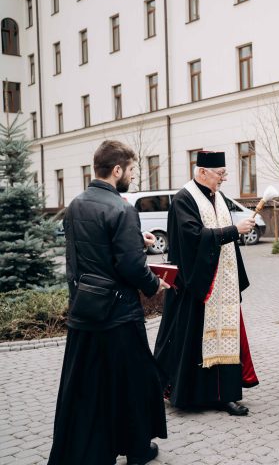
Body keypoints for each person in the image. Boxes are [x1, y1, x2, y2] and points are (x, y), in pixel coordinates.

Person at [49, 140, 169, 465]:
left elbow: (83, 256)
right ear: (117, 170)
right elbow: (129, 266)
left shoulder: (76, 204)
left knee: (89, 388)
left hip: (86, 311)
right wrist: (153, 284)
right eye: (131, 170)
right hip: (119, 316)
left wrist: (135, 240)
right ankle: (138, 449)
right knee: (134, 384)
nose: (132, 176)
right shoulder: (121, 208)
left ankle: (91, 452)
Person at [154, 151, 259, 416]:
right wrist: (235, 231)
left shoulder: (218, 197)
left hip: (222, 283)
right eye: (220, 174)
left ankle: (226, 395)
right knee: (191, 340)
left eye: (224, 173)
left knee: (226, 336)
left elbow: (217, 232)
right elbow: (193, 237)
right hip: (195, 285)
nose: (223, 178)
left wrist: (237, 228)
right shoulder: (183, 199)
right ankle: (189, 395)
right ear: (202, 172)